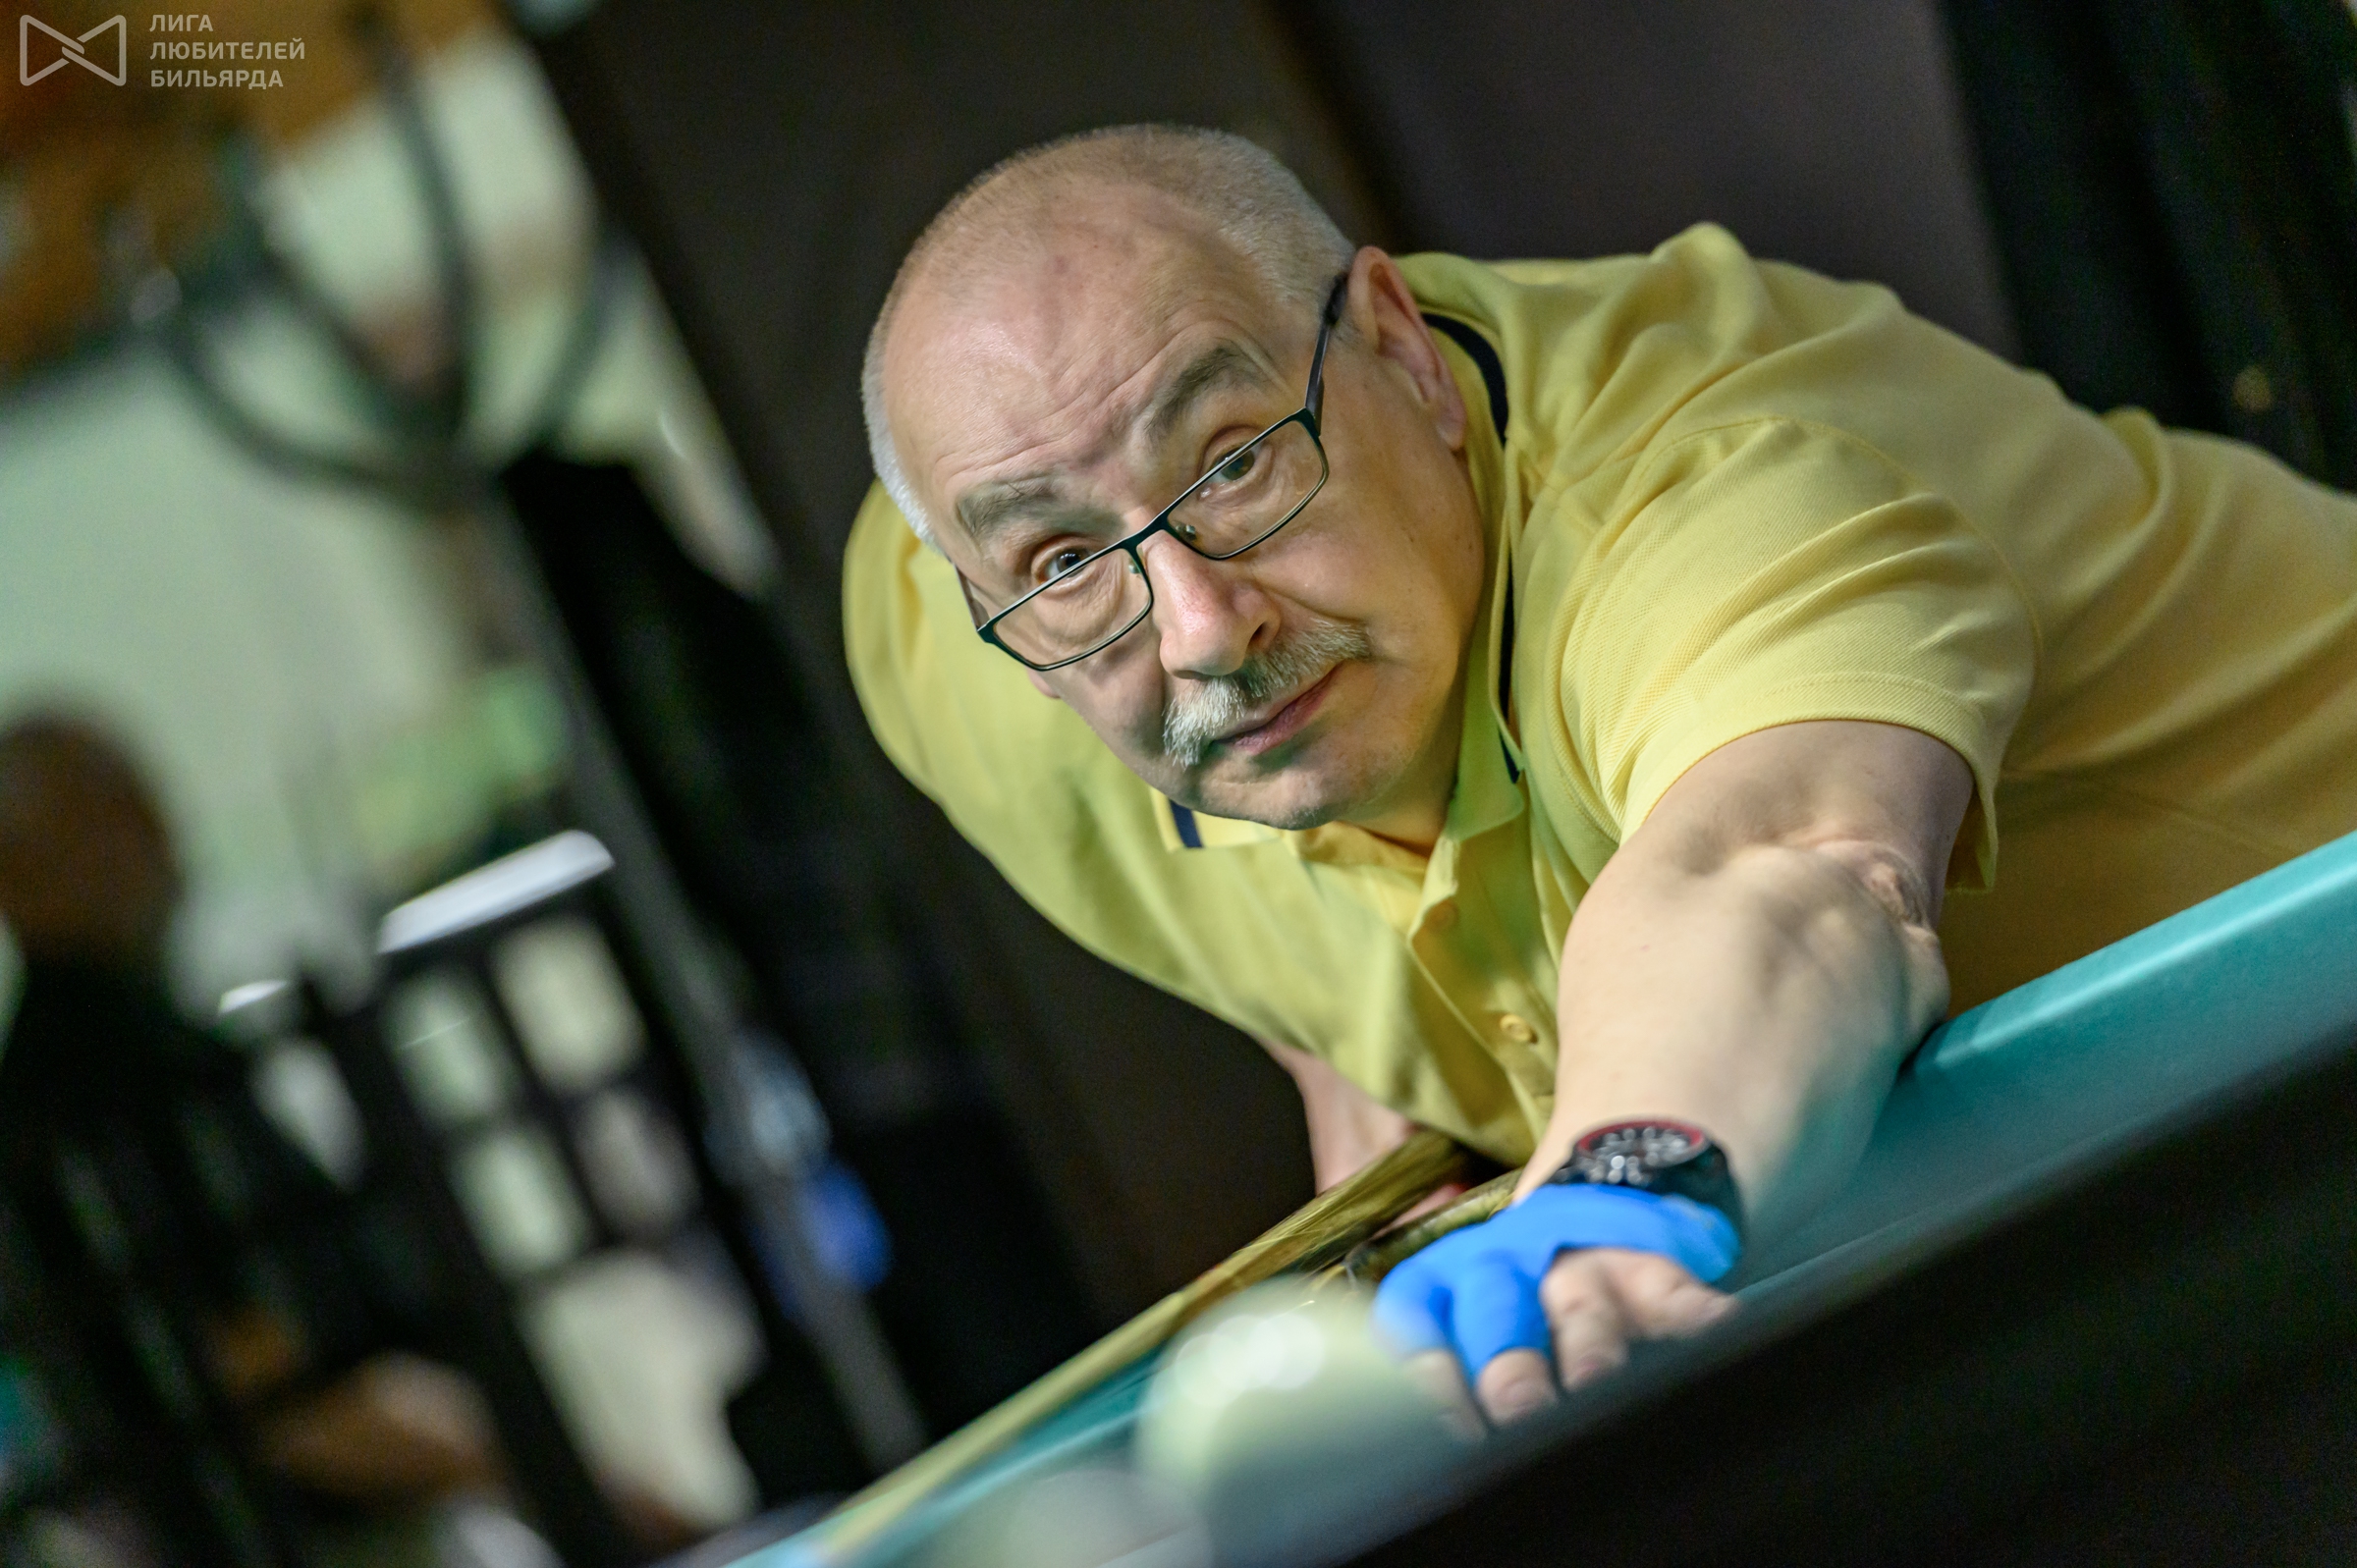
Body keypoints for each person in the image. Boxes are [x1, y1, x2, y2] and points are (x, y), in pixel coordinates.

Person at [844, 126, 2357, 1427]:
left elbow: (1786, 870)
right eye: (1065, 561)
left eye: (1235, 461)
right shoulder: (955, 634)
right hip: (2065, 1245)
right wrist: (1324, 1033)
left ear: (1401, 350)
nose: (1199, 630)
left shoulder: (1710, 487)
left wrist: (1617, 1189)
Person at [0, 715, 507, 1565]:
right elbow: (273, 1390)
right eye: (114, 812)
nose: (162, 834)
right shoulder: (118, 1078)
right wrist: (517, 1458)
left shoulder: (85, 1071)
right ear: (15, 875)